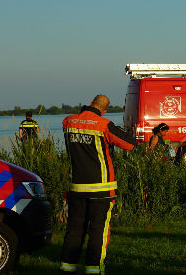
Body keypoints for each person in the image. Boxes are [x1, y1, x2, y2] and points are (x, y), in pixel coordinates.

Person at [59, 95, 135, 275]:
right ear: (105, 110)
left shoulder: (68, 121)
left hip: (77, 188)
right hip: (101, 189)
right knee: (98, 232)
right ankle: (94, 270)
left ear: (91, 103)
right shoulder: (103, 124)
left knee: (74, 230)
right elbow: (130, 145)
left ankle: (66, 268)